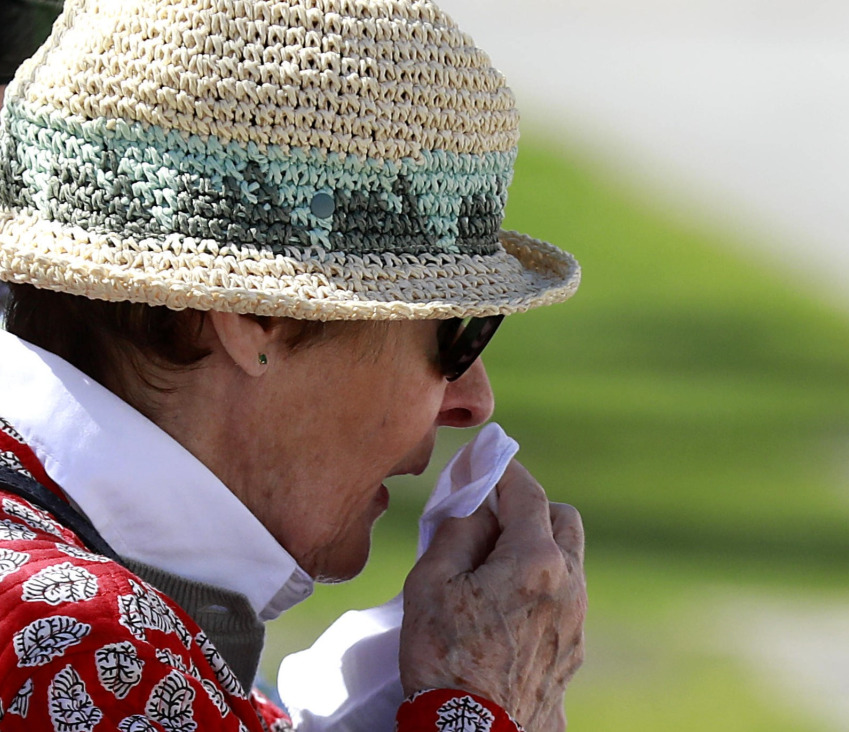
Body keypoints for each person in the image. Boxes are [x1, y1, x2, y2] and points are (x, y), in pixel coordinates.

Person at [0, 0, 586, 729]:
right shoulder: (78, 641)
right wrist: (485, 701)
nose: (474, 400)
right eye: (456, 333)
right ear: (254, 320)